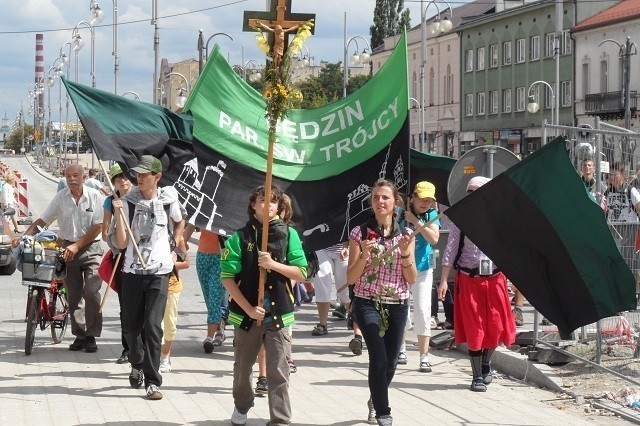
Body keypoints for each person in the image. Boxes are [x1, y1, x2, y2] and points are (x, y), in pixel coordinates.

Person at [220, 185, 307, 426]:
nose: (267, 205)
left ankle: (280, 419)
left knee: (279, 370)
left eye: (272, 201)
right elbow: (227, 276)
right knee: (242, 369)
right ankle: (242, 405)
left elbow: (302, 272)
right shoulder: (239, 237)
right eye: (262, 200)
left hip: (278, 314)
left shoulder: (290, 235)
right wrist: (248, 308)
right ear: (253, 205)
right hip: (247, 316)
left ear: (279, 206)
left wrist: (273, 265)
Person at [111, 155, 184, 400]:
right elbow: (121, 242)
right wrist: (119, 214)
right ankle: (136, 362)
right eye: (137, 174)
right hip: (132, 272)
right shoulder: (127, 202)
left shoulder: (168, 199)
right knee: (132, 327)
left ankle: (153, 382)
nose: (139, 178)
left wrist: (175, 247)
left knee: (153, 327)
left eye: (144, 174)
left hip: (159, 273)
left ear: (157, 177)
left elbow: (179, 221)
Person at [347, 178, 417, 426]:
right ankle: (383, 410)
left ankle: (375, 398)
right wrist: (365, 255)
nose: (380, 202)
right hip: (368, 301)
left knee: (392, 360)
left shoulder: (407, 235)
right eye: (376, 197)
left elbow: (411, 278)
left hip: (397, 302)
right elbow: (351, 278)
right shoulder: (360, 233)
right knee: (378, 358)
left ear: (395, 202)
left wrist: (406, 252)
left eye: (385, 197)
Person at [438, 176, 516, 392]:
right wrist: (444, 279)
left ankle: (485, 363)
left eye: (478, 192)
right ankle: (476, 376)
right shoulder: (460, 219)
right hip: (469, 280)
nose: (474, 197)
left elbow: (508, 250)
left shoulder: (499, 220)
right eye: (470, 192)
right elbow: (451, 249)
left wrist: (513, 279)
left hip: (495, 279)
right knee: (475, 328)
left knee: (496, 325)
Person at [16, 163, 104, 352]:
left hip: (91, 248)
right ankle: (80, 335)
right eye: (68, 176)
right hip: (67, 249)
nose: (72, 179)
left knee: (91, 292)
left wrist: (77, 245)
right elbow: (42, 220)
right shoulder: (61, 197)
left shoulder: (95, 196)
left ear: (84, 177)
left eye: (76, 175)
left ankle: (92, 336)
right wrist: (25, 237)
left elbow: (98, 226)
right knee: (73, 295)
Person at [402, 181, 440, 373]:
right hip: (401, 268)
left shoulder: (432, 215)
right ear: (413, 197)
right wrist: (405, 218)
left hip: (423, 269)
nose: (424, 203)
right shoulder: (401, 214)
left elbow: (434, 239)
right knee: (401, 309)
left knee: (423, 310)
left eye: (429, 200)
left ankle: (424, 356)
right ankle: (401, 348)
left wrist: (417, 221)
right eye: (421, 199)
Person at [102, 163, 134, 364]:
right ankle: (128, 348)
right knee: (126, 305)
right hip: (121, 257)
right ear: (113, 182)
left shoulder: (140, 198)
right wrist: (116, 233)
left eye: (125, 176)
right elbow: (105, 232)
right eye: (118, 177)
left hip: (140, 257)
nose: (123, 180)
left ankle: (143, 346)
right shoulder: (110, 201)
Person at [183, 225, 226, 353]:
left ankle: (209, 337)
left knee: (214, 296)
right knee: (208, 297)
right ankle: (219, 328)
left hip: (221, 257)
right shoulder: (206, 207)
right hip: (202, 256)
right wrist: (182, 243)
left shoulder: (225, 211)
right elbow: (191, 225)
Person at [160, 234, 190, 373]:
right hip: (151, 286)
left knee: (169, 324)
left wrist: (170, 263)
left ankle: (165, 356)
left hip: (171, 286)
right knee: (153, 324)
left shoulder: (177, 237)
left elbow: (186, 262)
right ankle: (154, 357)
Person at [604, 162, 640, 277]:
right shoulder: (607, 192)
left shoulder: (631, 191)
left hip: (629, 229)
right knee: (613, 261)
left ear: (622, 175)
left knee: (627, 262)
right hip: (612, 229)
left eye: (614, 174)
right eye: (610, 174)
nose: (612, 177)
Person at [310, 243, 350, 337]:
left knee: (344, 291)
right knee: (322, 284)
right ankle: (322, 324)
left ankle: (354, 317)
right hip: (321, 247)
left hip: (345, 247)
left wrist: (345, 246)